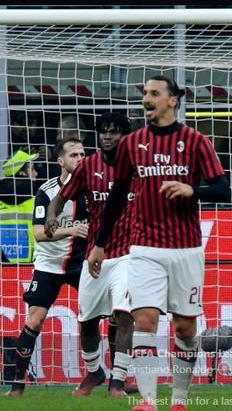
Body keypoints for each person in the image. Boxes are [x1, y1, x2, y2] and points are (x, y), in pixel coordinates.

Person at [87, 75, 229, 411]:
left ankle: (179, 401)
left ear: (172, 101)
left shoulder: (195, 141)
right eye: (144, 93)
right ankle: (148, 401)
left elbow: (223, 188)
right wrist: (100, 243)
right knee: (145, 320)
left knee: (185, 327)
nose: (146, 99)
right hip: (144, 247)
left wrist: (193, 190)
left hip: (186, 248)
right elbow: (118, 197)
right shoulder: (131, 144)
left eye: (154, 93)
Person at [45, 112, 137, 397]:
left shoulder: (138, 167)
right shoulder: (88, 167)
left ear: (125, 136)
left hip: (128, 254)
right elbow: (60, 197)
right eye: (104, 131)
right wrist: (52, 216)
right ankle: (95, 372)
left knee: (124, 316)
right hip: (95, 257)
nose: (108, 136)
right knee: (87, 320)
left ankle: (118, 380)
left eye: (114, 131)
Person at [5, 137, 88, 397]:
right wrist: (71, 229)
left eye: (83, 154)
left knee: (105, 315)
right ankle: (18, 383)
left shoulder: (93, 189)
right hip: (49, 264)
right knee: (35, 319)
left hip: (80, 263)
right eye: (74, 155)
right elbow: (39, 234)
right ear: (60, 161)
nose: (80, 159)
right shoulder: (46, 191)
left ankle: (115, 379)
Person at [1, 150, 40, 263]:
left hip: (2, 269)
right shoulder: (37, 202)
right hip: (30, 268)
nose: (36, 173)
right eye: (32, 169)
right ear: (22, 174)